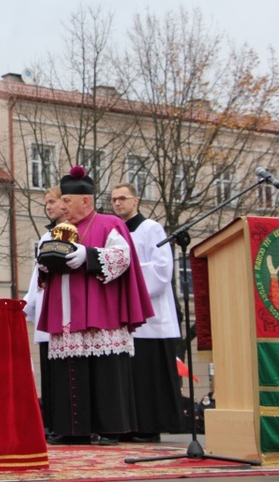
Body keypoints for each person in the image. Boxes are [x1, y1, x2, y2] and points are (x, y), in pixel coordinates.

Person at [37, 166, 154, 446]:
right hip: (65, 308)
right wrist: (44, 262)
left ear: (85, 201)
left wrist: (87, 255)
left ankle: (109, 428)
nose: (62, 206)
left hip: (100, 310)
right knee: (69, 368)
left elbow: (121, 257)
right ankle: (72, 430)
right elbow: (46, 268)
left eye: (66, 201)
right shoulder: (60, 230)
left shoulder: (108, 223)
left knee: (103, 370)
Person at [111, 183, 184, 442]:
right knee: (131, 375)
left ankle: (150, 427)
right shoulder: (115, 232)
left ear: (136, 201)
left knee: (149, 375)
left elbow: (162, 270)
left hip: (151, 315)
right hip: (126, 314)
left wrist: (128, 279)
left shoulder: (151, 228)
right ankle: (130, 426)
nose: (117, 203)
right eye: (113, 200)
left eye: (122, 198)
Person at [23, 186, 64, 438]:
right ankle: (50, 422)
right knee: (48, 369)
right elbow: (36, 276)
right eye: (46, 203)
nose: (48, 207)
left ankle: (60, 424)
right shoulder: (46, 237)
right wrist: (27, 302)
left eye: (53, 202)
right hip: (44, 307)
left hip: (60, 308)